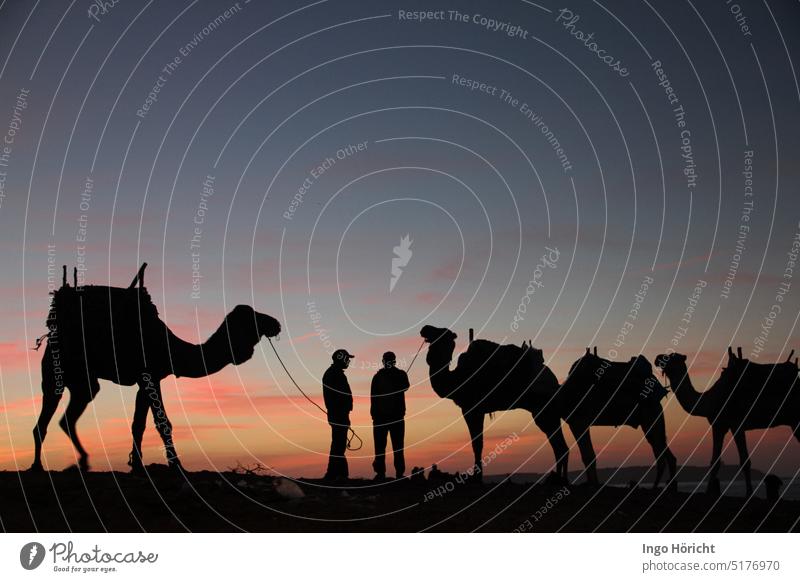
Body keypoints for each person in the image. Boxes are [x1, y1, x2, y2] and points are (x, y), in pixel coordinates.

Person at [370, 351, 410, 480]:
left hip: (393, 417)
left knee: (395, 446)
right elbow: (374, 397)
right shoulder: (380, 377)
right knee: (384, 447)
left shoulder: (399, 375)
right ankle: (382, 473)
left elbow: (405, 386)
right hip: (383, 418)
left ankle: (397, 473)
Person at [322, 348, 354, 481]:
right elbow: (337, 397)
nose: (348, 361)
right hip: (338, 414)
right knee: (338, 445)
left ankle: (336, 474)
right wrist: (341, 412)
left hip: (339, 414)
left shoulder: (334, 373)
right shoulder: (334, 374)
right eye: (347, 358)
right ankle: (335, 474)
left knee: (338, 444)